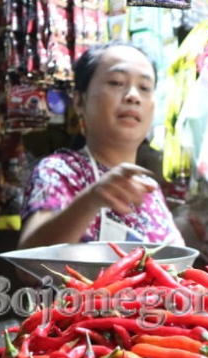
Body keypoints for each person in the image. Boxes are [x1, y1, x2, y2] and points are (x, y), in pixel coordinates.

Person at [18, 42, 185, 249]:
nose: (133, 96)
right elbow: (30, 264)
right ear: (79, 101)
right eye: (116, 82)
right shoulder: (59, 172)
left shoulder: (149, 191)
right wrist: (91, 200)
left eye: (144, 88)